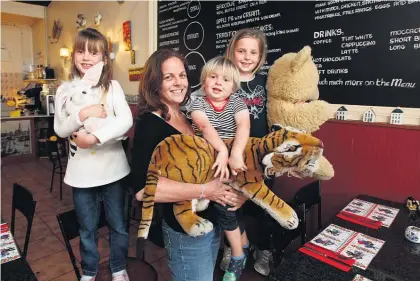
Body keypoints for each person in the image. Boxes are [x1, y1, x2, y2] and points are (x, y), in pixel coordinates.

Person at [131, 49, 248, 281]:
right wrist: (207, 191)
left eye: (182, 75)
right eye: (169, 77)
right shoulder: (149, 124)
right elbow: (143, 191)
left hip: (214, 222)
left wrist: (234, 195)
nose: (178, 83)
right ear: (155, 83)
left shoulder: (190, 116)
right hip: (186, 232)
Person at [54, 28, 132, 281]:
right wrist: (83, 114)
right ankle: (89, 271)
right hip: (81, 174)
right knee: (86, 227)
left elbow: (126, 120)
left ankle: (118, 267)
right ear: (73, 55)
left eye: (93, 52)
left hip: (114, 169)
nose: (86, 57)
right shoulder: (64, 90)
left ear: (104, 58)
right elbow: (60, 129)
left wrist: (94, 138)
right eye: (80, 50)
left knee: (118, 224)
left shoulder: (112, 86)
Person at [188, 56, 250, 281]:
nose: (217, 82)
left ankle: (237, 254)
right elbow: (204, 126)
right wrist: (222, 151)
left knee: (228, 205)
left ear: (233, 86)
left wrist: (234, 153)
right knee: (224, 206)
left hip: (230, 160)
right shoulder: (197, 101)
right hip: (207, 159)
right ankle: (242, 246)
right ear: (204, 81)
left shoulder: (236, 102)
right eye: (212, 77)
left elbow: (244, 125)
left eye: (225, 79)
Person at [222, 28, 274, 276]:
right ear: (232, 51)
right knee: (231, 205)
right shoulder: (222, 79)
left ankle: (264, 249)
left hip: (263, 156)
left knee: (264, 204)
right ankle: (232, 248)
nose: (246, 56)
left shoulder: (267, 82)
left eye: (253, 52)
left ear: (261, 56)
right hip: (233, 155)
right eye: (241, 51)